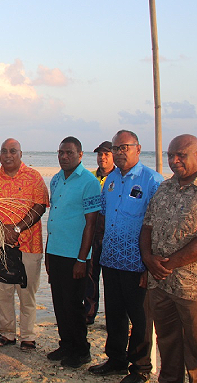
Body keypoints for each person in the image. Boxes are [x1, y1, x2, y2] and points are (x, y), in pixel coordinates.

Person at [89, 131, 162, 383]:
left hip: (138, 264)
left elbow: (158, 227)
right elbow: (103, 219)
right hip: (110, 260)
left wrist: (148, 266)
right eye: (116, 148)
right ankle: (116, 360)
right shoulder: (110, 181)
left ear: (138, 149)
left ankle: (140, 369)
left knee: (141, 319)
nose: (120, 152)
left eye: (125, 147)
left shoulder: (152, 181)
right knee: (115, 315)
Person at [140, 134, 197, 383]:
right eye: (170, 155)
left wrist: (168, 264)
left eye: (181, 155)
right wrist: (147, 259)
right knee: (168, 341)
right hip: (160, 283)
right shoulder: (165, 188)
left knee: (195, 345)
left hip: (190, 288)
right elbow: (147, 227)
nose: (174, 161)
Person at [0, 138, 49, 351]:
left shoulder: (34, 177)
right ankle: (7, 333)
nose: (8, 155)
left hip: (29, 246)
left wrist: (17, 228)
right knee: (3, 292)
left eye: (13, 151)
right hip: (0, 246)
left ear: (21, 154)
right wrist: (3, 230)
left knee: (27, 293)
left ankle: (28, 336)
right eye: (4, 151)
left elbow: (40, 206)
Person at [45, 136, 101, 368]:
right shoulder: (56, 180)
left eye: (69, 153)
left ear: (80, 155)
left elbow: (91, 224)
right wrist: (48, 254)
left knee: (74, 304)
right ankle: (66, 344)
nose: (64, 157)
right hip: (56, 251)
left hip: (75, 255)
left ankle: (81, 350)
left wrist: (82, 259)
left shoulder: (89, 182)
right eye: (61, 153)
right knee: (59, 301)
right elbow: (54, 217)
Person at [85, 140, 116, 325]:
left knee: (112, 279)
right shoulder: (90, 178)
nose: (102, 158)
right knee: (90, 275)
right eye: (100, 154)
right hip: (92, 234)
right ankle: (89, 314)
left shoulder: (119, 178)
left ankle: (114, 317)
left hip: (112, 236)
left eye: (106, 154)